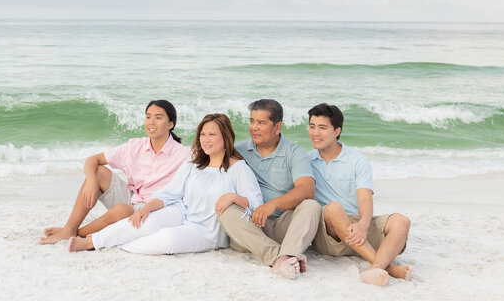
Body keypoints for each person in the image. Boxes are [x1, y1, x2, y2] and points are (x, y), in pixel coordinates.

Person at [68, 113, 263, 255]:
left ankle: (115, 242)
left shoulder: (238, 169)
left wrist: (233, 197)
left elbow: (256, 204)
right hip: (181, 212)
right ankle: (92, 241)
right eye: (203, 134)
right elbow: (170, 193)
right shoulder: (194, 164)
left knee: (166, 239)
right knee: (144, 222)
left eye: (212, 135)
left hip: (207, 231)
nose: (206, 140)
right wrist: (147, 208)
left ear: (225, 137)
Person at [39, 100, 190, 244]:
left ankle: (77, 233)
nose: (151, 122)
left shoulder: (184, 155)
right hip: (133, 199)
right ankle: (69, 229)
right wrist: (92, 181)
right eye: (148, 116)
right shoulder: (135, 146)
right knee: (98, 172)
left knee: (122, 210)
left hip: (156, 209)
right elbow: (92, 160)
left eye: (158, 118)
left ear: (170, 124)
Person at [305, 103, 412, 286]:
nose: (315, 133)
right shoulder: (306, 161)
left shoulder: (357, 160)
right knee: (332, 208)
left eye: (322, 128)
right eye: (312, 126)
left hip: (357, 229)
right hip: (330, 234)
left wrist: (363, 224)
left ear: (336, 131)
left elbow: (364, 197)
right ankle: (388, 267)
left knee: (402, 221)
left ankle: (375, 268)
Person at [217, 98, 322, 280]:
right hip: (251, 225)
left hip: (284, 224)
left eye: (261, 123)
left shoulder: (293, 152)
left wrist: (272, 205)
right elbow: (208, 163)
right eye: (252, 121)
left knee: (312, 206)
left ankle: (286, 254)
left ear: (277, 126)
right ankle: (284, 257)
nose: (254, 127)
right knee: (226, 211)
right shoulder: (238, 150)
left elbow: (307, 189)